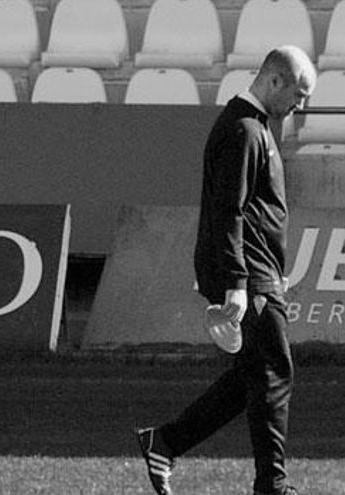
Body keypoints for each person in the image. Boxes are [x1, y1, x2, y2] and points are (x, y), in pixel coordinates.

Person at [135, 45, 317, 495]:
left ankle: (165, 443)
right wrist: (238, 283)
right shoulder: (244, 130)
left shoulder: (253, 127)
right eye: (298, 94)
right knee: (274, 372)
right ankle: (272, 485)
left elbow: (251, 213)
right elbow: (228, 211)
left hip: (258, 271)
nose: (301, 105)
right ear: (274, 81)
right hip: (249, 276)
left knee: (255, 375)